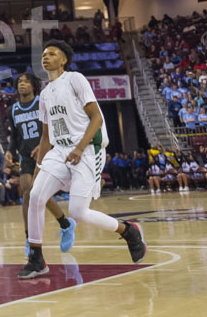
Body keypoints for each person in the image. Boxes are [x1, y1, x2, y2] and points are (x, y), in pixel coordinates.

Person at [20, 41, 147, 279]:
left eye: (52, 54)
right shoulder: (45, 93)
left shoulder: (75, 79)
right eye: (44, 54)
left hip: (88, 148)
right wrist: (39, 169)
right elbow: (46, 136)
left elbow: (96, 118)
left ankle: (129, 231)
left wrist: (79, 148)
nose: (46, 57)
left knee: (78, 211)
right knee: (36, 195)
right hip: (59, 151)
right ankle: (36, 259)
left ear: (64, 60)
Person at [7, 72, 75, 252]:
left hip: (47, 153)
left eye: (26, 81)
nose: (22, 84)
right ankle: (30, 238)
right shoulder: (13, 110)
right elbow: (14, 136)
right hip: (25, 156)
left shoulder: (42, 102)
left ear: (33, 85)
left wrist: (43, 145)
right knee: (28, 192)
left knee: (37, 192)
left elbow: (55, 126)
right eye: (20, 81)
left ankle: (65, 224)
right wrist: (9, 151)